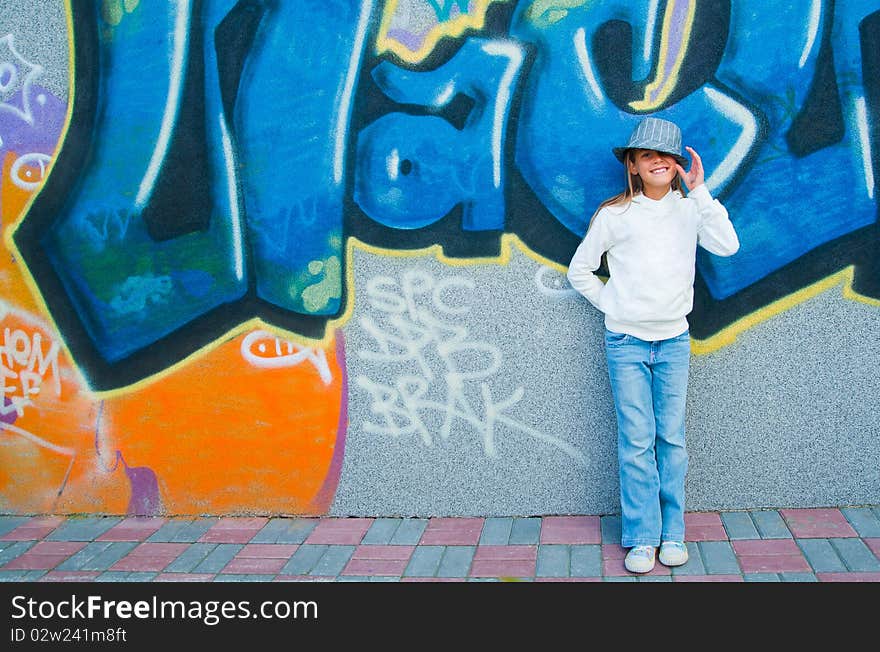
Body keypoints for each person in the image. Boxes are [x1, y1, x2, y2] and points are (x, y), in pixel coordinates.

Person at [566, 116, 739, 573]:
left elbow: (727, 245)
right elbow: (579, 270)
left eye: (666, 155)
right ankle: (642, 537)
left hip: (674, 341)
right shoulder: (615, 215)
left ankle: (672, 533)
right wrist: (614, 304)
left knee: (671, 439)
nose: (658, 161)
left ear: (678, 162)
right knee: (637, 441)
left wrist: (700, 192)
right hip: (625, 342)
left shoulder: (689, 210)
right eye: (647, 155)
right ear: (634, 166)